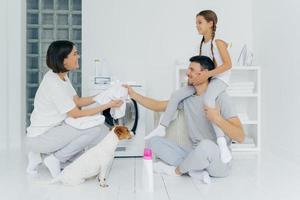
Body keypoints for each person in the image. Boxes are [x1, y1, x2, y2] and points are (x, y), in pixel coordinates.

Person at [124, 55, 244, 184]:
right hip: (193, 153)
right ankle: (195, 169)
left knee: (205, 146)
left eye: (192, 69)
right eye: (188, 69)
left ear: (204, 73)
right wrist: (133, 95)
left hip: (218, 161)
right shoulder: (186, 98)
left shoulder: (221, 98)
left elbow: (240, 137)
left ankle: (176, 171)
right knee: (154, 142)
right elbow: (158, 106)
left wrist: (217, 118)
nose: (188, 73)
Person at [145, 10, 233, 163]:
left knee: (209, 100)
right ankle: (162, 127)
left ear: (210, 23)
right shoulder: (202, 45)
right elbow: (200, 67)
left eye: (200, 22)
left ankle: (221, 143)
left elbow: (228, 65)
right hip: (209, 79)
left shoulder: (217, 42)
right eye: (196, 23)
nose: (197, 26)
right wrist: (194, 79)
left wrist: (207, 75)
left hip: (219, 80)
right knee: (177, 95)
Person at [26, 40, 123, 177]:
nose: (78, 57)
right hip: (42, 137)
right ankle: (55, 159)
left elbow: (77, 101)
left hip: (50, 131)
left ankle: (39, 156)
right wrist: (108, 105)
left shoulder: (61, 77)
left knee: (83, 158)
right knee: (94, 128)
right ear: (63, 60)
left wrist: (103, 95)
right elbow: (76, 114)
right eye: (75, 54)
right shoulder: (54, 84)